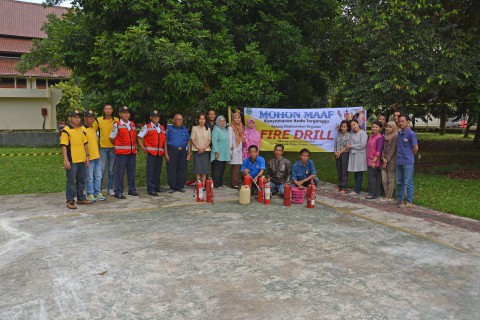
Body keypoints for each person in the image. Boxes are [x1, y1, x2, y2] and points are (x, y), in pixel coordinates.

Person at [60, 109, 92, 209]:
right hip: (72, 160)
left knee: (81, 180)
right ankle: (70, 200)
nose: (77, 119)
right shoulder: (66, 130)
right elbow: (64, 146)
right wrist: (66, 160)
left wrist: (87, 156)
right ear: (70, 118)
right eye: (75, 117)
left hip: (82, 160)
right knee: (71, 181)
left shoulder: (81, 130)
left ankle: (81, 198)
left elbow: (85, 143)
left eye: (78, 117)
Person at [109, 106, 138, 199]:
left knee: (131, 172)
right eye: (124, 112)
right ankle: (118, 191)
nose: (126, 114)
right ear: (120, 114)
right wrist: (118, 145)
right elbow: (111, 138)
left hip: (131, 153)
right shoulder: (116, 124)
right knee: (119, 173)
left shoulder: (132, 124)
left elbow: (134, 138)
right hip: (121, 153)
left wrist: (135, 148)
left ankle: (132, 190)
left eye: (128, 112)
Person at [137, 110, 167, 196]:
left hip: (159, 153)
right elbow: (139, 137)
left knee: (158, 171)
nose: (156, 118)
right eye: (154, 117)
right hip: (151, 153)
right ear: (151, 117)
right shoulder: (147, 126)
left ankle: (156, 186)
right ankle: (150, 189)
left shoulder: (162, 127)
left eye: (157, 117)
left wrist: (165, 151)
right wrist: (144, 149)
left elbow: (164, 139)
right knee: (150, 172)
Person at [93, 103, 118, 196]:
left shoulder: (116, 120)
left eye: (110, 108)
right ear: (104, 110)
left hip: (113, 148)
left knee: (111, 169)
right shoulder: (99, 120)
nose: (108, 110)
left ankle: (110, 188)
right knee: (102, 169)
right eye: (106, 109)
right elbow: (92, 131)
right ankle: (98, 189)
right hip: (103, 148)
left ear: (112, 110)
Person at [82, 110, 106, 202]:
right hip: (89, 158)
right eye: (89, 117)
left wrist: (98, 154)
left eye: (92, 117)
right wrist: (86, 156)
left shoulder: (93, 129)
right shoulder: (82, 129)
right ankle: (90, 194)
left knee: (98, 176)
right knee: (89, 177)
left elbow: (95, 142)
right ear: (85, 118)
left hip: (96, 157)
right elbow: (83, 144)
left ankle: (97, 192)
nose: (91, 119)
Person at [396, 114, 418, 208]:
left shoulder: (411, 134)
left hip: (408, 162)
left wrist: (409, 156)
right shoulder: (399, 133)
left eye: (403, 121)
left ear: (408, 122)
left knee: (408, 182)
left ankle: (409, 200)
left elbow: (415, 148)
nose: (401, 123)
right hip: (399, 161)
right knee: (399, 182)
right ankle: (400, 199)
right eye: (399, 121)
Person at [165, 113, 191, 193]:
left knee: (182, 169)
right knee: (171, 169)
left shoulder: (185, 129)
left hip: (182, 151)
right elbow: (165, 141)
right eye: (177, 119)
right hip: (172, 150)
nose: (179, 121)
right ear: (174, 120)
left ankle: (180, 186)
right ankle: (172, 187)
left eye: (180, 119)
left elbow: (188, 142)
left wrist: (189, 153)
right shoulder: (169, 129)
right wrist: (166, 153)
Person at [347, 119, 367, 196]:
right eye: (351, 125)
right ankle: (357, 188)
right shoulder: (352, 134)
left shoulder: (363, 133)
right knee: (356, 172)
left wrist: (351, 146)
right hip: (354, 155)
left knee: (359, 172)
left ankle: (356, 190)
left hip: (360, 156)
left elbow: (362, 144)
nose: (353, 126)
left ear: (358, 124)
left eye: (354, 124)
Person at [190, 113, 211, 185]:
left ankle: (203, 185)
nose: (202, 120)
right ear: (198, 120)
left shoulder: (208, 129)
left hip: (205, 151)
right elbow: (192, 139)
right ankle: (199, 184)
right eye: (200, 119)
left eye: (203, 119)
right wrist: (199, 148)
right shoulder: (194, 128)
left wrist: (203, 148)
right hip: (197, 151)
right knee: (197, 168)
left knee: (204, 169)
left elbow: (209, 140)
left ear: (205, 120)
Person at [365, 121, 384, 199]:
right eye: (373, 127)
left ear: (380, 128)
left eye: (376, 127)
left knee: (372, 177)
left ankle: (372, 194)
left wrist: (374, 161)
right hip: (369, 158)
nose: (374, 128)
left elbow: (378, 151)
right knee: (374, 177)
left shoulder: (380, 137)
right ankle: (376, 193)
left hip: (374, 161)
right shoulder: (371, 136)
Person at [210, 116, 230, 188]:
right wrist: (216, 151)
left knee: (222, 169)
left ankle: (220, 183)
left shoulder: (225, 130)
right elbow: (214, 141)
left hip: (224, 153)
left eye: (224, 121)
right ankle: (216, 184)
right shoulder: (216, 130)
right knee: (217, 169)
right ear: (217, 122)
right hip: (218, 153)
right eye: (220, 121)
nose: (222, 122)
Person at [381, 121, 398, 201]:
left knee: (390, 180)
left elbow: (392, 150)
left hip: (391, 162)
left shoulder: (395, 137)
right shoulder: (385, 136)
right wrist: (383, 158)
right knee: (384, 180)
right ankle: (386, 194)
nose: (388, 128)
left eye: (390, 127)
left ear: (394, 128)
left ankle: (389, 196)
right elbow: (383, 149)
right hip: (383, 161)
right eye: (387, 127)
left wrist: (386, 160)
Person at [334, 120, 351, 194]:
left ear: (347, 128)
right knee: (339, 170)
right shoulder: (339, 134)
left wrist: (339, 153)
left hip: (344, 154)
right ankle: (339, 185)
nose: (343, 128)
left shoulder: (349, 135)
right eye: (342, 126)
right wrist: (335, 152)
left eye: (344, 127)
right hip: (337, 154)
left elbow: (347, 147)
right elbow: (335, 144)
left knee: (344, 171)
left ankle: (344, 187)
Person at [228, 112, 243, 188]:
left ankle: (237, 181)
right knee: (235, 166)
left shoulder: (241, 127)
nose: (237, 119)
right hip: (233, 149)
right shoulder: (231, 127)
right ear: (233, 119)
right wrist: (230, 150)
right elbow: (230, 139)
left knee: (238, 166)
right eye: (235, 118)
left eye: (238, 118)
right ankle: (234, 183)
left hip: (239, 149)